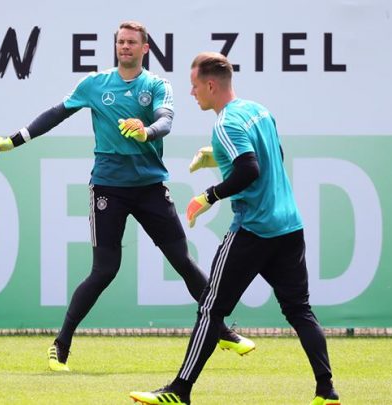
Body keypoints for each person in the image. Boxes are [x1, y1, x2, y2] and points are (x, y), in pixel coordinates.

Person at [0, 22, 255, 372]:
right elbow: (55, 114)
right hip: (108, 188)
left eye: (132, 42)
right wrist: (13, 140)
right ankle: (61, 344)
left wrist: (146, 132)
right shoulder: (95, 84)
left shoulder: (157, 85)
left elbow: (165, 121)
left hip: (150, 186)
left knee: (182, 261)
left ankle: (221, 331)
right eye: (121, 42)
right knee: (104, 270)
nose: (125, 46)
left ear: (145, 48)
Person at [129, 52, 340, 405]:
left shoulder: (225, 123)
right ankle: (326, 390)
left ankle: (180, 391)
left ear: (211, 85)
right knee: (299, 310)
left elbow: (249, 169)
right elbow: (271, 157)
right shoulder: (259, 110)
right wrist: (216, 156)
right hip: (289, 226)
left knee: (210, 309)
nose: (191, 92)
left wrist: (208, 196)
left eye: (194, 86)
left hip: (253, 229)